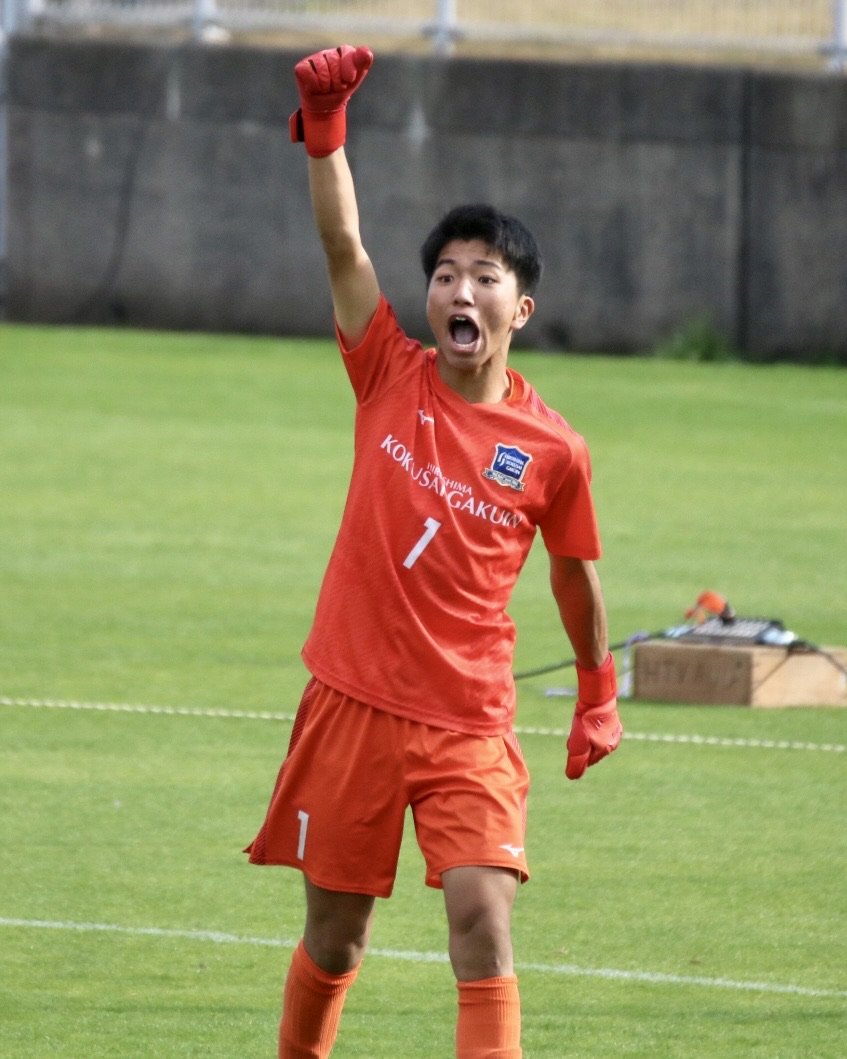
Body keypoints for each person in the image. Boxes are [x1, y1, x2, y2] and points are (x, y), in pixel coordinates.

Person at [246, 44, 623, 1059]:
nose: (460, 289)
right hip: (352, 705)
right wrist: (325, 130)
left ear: (517, 310)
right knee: (335, 935)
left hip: (467, 721)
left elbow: (573, 573)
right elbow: (342, 247)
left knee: (481, 924)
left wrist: (597, 690)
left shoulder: (554, 449)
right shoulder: (386, 373)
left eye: (484, 277)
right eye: (446, 274)